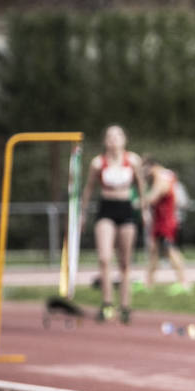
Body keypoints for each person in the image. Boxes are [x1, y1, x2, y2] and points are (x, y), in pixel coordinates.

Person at [79, 125, 147, 324]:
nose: (113, 139)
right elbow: (89, 188)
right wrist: (82, 214)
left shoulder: (133, 160)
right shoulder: (98, 163)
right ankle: (107, 304)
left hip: (126, 209)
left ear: (124, 139)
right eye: (109, 136)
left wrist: (144, 210)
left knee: (125, 262)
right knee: (104, 258)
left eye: (117, 136)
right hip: (106, 210)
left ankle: (125, 306)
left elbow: (141, 186)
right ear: (104, 141)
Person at [142, 157, 191, 294]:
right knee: (154, 252)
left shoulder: (162, 177)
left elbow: (153, 197)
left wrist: (141, 198)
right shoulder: (166, 175)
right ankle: (149, 283)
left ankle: (184, 282)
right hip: (160, 220)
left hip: (166, 221)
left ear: (151, 167)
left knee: (171, 251)